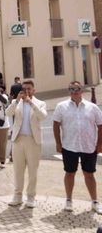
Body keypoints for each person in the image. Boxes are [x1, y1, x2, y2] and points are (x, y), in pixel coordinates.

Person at [53, 81, 102, 213]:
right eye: (71, 89)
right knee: (69, 173)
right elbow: (56, 124)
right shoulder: (61, 106)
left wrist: (100, 143)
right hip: (70, 146)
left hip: (89, 146)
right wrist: (58, 143)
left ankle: (95, 201)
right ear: (69, 91)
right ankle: (68, 200)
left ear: (81, 90)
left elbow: (100, 126)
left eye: (77, 89)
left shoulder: (92, 107)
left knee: (89, 174)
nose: (74, 91)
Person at [5, 79, 47, 208]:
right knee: (18, 170)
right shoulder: (16, 102)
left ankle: (31, 197)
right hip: (18, 140)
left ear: (33, 90)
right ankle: (17, 196)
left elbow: (43, 117)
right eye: (24, 89)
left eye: (29, 89)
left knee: (32, 171)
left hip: (33, 140)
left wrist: (31, 103)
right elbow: (7, 113)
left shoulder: (40, 103)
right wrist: (17, 101)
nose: (26, 91)